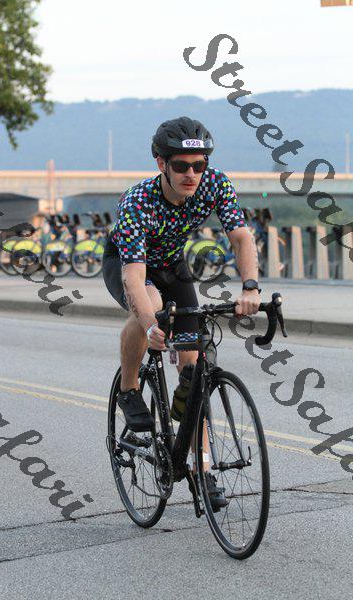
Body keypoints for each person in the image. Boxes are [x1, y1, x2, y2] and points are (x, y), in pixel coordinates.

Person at [102, 116, 261, 510]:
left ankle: (201, 470)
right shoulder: (138, 201)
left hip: (173, 266)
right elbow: (134, 279)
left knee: (194, 377)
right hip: (129, 264)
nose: (191, 174)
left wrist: (250, 287)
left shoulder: (215, 184)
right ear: (161, 164)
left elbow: (241, 237)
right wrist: (149, 325)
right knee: (151, 306)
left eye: (199, 165)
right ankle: (128, 389)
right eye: (181, 166)